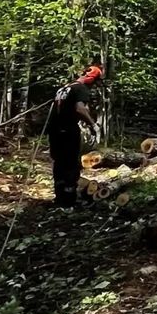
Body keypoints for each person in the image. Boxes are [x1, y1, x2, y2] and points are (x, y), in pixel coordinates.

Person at [47, 65, 101, 207]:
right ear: (91, 79)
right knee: (71, 164)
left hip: (54, 130)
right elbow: (80, 109)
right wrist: (92, 124)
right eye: (94, 83)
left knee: (59, 163)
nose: (93, 86)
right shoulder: (80, 88)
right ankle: (69, 199)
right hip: (68, 129)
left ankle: (59, 197)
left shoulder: (63, 89)